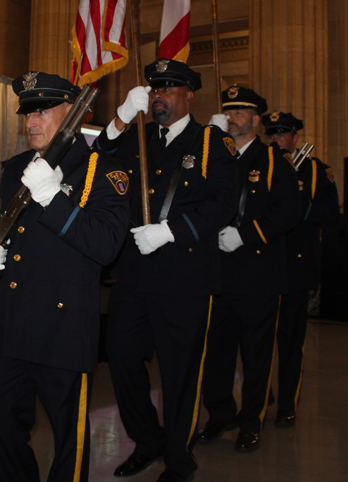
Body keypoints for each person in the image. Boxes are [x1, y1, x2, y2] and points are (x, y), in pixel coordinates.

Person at [0, 72, 130, 482]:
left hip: (63, 326)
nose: (31, 122)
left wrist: (52, 198)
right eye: (27, 112)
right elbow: (11, 229)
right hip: (10, 321)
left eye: (42, 110)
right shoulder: (18, 167)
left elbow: (105, 246)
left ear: (73, 113)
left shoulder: (105, 171)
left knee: (69, 439)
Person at [95, 59, 239, 482]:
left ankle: (179, 457)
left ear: (189, 95)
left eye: (169, 89)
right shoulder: (139, 137)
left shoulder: (211, 141)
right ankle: (147, 439)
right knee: (120, 357)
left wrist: (172, 231)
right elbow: (98, 158)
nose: (159, 96)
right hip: (135, 275)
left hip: (185, 278)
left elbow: (224, 203)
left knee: (180, 372)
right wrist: (121, 118)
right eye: (154, 89)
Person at [199, 86, 301, 451]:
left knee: (256, 354)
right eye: (229, 111)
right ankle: (220, 413)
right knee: (216, 352)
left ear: (257, 120)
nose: (232, 117)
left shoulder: (273, 161)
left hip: (257, 275)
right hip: (217, 272)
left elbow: (288, 212)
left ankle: (251, 420)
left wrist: (247, 236)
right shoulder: (217, 157)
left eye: (240, 112)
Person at [262, 111, 339, 427]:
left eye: (283, 134)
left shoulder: (316, 170)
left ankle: (287, 404)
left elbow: (330, 214)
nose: (277, 139)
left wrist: (295, 198)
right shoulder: (260, 167)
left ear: (295, 138)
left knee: (292, 342)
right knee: (259, 339)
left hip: (295, 267)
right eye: (272, 134)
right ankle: (260, 399)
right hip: (263, 265)